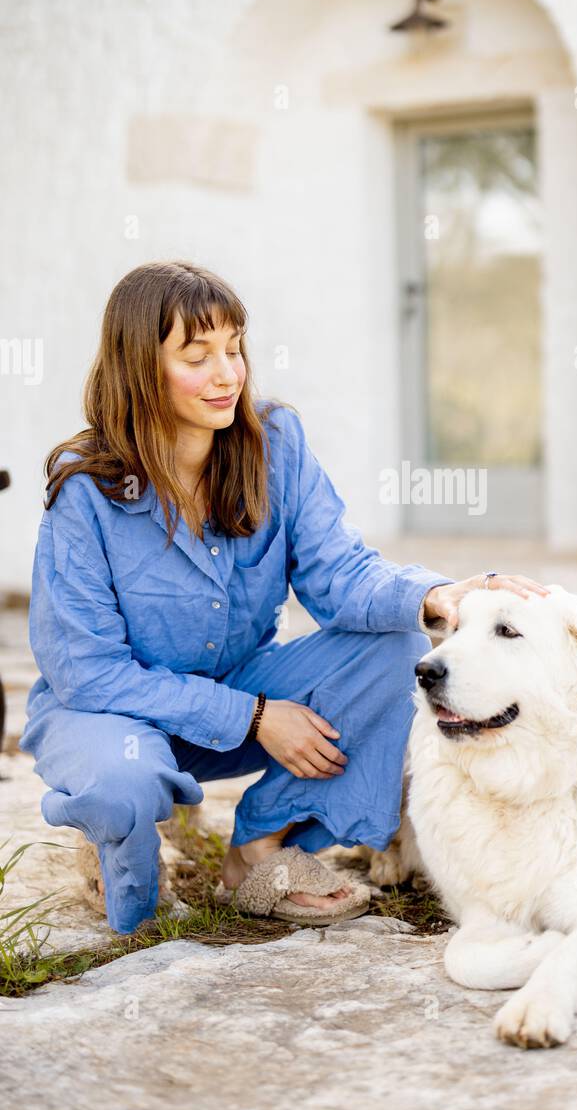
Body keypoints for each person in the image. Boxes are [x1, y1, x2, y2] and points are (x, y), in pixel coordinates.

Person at [19, 261, 549, 934]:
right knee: (124, 789)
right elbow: (87, 672)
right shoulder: (86, 493)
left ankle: (262, 847)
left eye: (234, 348)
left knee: (395, 650)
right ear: (139, 368)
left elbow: (339, 573)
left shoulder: (274, 444)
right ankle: (117, 845)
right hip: (110, 714)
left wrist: (435, 595)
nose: (226, 374)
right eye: (196, 356)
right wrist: (253, 715)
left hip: (235, 683)